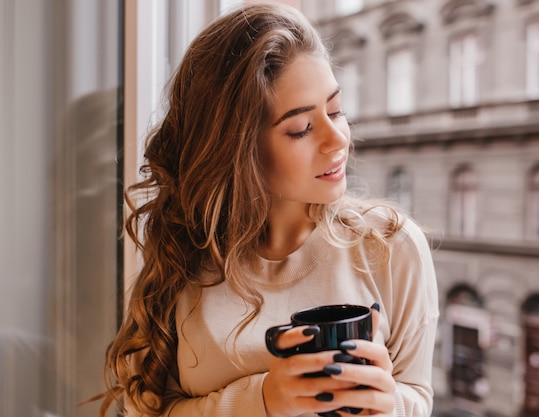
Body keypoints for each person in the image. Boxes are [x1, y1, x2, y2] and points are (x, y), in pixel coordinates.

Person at [98, 3, 439, 417]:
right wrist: (261, 401)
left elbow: (417, 398)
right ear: (237, 149)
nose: (337, 140)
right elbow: (145, 410)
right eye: (300, 129)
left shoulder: (390, 247)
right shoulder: (185, 251)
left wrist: (388, 404)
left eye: (335, 110)